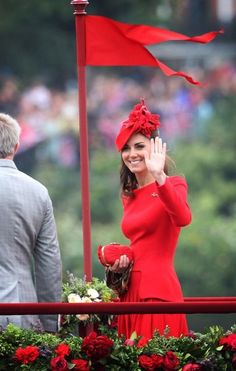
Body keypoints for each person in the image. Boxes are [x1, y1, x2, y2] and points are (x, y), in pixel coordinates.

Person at [110, 99, 192, 340]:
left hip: (157, 291)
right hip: (129, 292)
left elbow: (183, 218)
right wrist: (119, 264)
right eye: (126, 148)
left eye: (138, 146)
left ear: (155, 147)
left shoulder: (173, 184)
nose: (131, 154)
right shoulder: (129, 195)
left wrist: (159, 176)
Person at [0, 112, 62, 332]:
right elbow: (49, 266)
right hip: (22, 313)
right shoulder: (38, 192)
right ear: (16, 147)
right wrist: (50, 328)